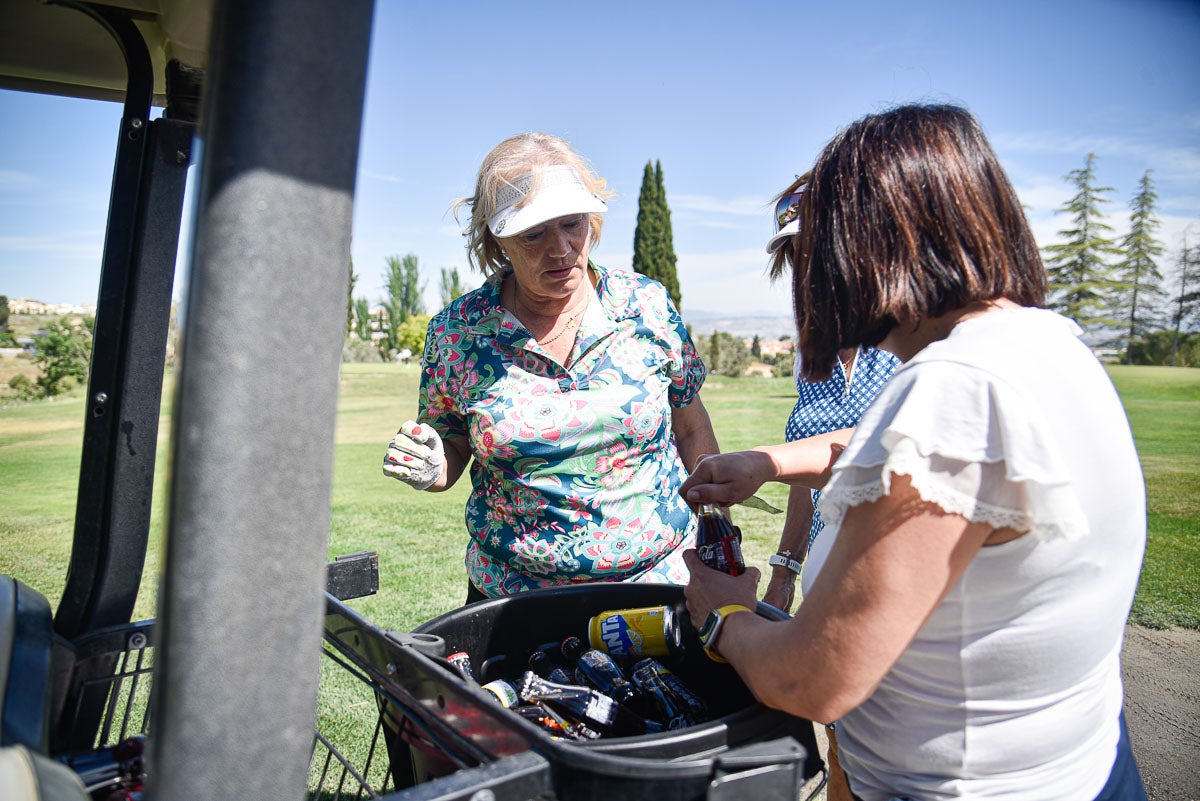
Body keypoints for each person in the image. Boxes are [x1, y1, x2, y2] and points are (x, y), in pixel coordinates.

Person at [681, 104, 1147, 800]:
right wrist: (766, 463)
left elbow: (812, 677)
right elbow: (904, 459)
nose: (815, 283)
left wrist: (724, 616)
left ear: (874, 247)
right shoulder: (1044, 344)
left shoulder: (952, 390)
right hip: (1080, 766)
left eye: (823, 255)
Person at [383, 132, 719, 602]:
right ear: (497, 239)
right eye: (534, 233)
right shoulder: (457, 333)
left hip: (658, 584)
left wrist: (718, 528)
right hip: (513, 599)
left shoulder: (646, 305)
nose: (561, 248)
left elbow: (690, 426)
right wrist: (434, 464)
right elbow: (452, 443)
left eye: (572, 223)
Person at [761, 180, 899, 614]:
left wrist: (763, 464)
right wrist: (785, 571)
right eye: (800, 259)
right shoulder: (813, 346)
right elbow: (812, 458)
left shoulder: (915, 341)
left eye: (826, 254)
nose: (814, 277)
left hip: (895, 585)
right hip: (826, 584)